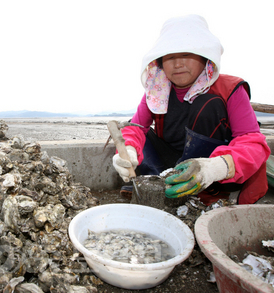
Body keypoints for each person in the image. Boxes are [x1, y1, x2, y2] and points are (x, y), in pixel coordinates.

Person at [112, 14, 271, 205]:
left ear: (205, 57)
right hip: (172, 163)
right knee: (139, 133)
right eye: (170, 57)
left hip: (212, 172)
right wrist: (128, 149)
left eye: (186, 54)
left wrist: (217, 167)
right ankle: (157, 184)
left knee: (207, 103)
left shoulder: (230, 88)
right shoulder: (157, 91)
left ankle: (202, 193)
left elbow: (253, 143)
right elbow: (136, 127)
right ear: (160, 62)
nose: (178, 64)